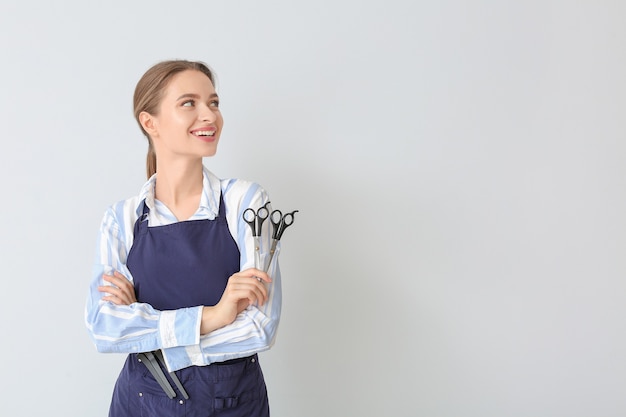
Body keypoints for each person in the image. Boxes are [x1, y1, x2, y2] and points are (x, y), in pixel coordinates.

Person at [84, 59, 281, 417]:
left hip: (230, 404)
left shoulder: (245, 203)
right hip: (140, 402)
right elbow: (105, 328)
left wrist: (153, 336)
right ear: (150, 122)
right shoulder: (122, 218)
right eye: (189, 103)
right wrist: (214, 316)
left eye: (214, 103)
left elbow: (258, 327)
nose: (209, 115)